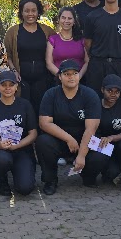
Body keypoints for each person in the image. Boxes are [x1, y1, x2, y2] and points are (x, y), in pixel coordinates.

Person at [36, 59, 102, 195]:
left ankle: (88, 176)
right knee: (43, 141)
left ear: (79, 75)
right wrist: (68, 139)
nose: (71, 77)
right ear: (60, 76)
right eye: (67, 74)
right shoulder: (51, 94)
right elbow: (44, 123)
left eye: (75, 73)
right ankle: (50, 180)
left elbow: (91, 128)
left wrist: (82, 155)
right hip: (60, 140)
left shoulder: (90, 95)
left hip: (84, 140)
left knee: (103, 150)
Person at [0, 69, 39, 196]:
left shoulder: (25, 105)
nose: (7, 88)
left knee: (25, 188)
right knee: (1, 159)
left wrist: (17, 145)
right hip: (1, 151)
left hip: (22, 150)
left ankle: (21, 173)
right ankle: (2, 182)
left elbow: (33, 133)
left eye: (11, 85)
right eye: (3, 85)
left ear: (16, 86)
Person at [82, 74, 121, 191]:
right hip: (98, 145)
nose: (113, 94)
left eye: (117, 91)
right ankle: (88, 177)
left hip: (116, 145)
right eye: (109, 90)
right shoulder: (94, 104)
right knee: (97, 159)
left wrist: (111, 138)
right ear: (102, 90)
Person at [3, 0, 53, 112]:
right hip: (21, 81)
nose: (30, 14)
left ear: (38, 12)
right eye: (26, 11)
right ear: (21, 12)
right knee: (23, 110)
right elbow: (7, 55)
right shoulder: (12, 32)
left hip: (43, 80)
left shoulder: (47, 31)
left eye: (33, 10)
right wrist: (14, 71)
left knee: (41, 110)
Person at [46, 7, 88, 81]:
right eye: (63, 18)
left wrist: (78, 76)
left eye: (69, 18)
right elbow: (49, 63)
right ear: (59, 20)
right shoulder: (52, 39)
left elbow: (87, 61)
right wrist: (62, 77)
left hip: (80, 80)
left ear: (74, 21)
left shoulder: (81, 40)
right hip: (59, 80)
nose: (66, 21)